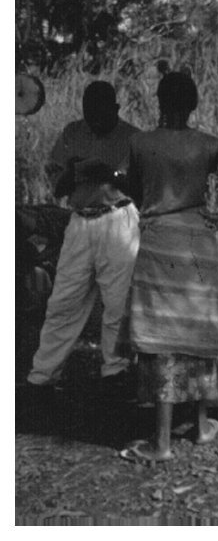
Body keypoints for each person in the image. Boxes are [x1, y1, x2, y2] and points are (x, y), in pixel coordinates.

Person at [121, 72, 218, 463]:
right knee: (199, 332)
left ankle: (161, 441)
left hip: (159, 241)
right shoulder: (207, 144)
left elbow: (133, 189)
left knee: (161, 336)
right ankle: (201, 426)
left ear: (159, 100)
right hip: (198, 243)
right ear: (193, 103)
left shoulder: (140, 143)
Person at [27, 81, 140, 400]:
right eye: (90, 114)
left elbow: (142, 189)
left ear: (116, 109)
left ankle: (116, 370)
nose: (95, 120)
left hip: (118, 218)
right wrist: (76, 171)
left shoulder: (133, 138)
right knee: (64, 299)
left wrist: (111, 175)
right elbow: (58, 188)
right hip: (80, 221)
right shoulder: (73, 133)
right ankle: (43, 374)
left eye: (102, 113)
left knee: (118, 301)